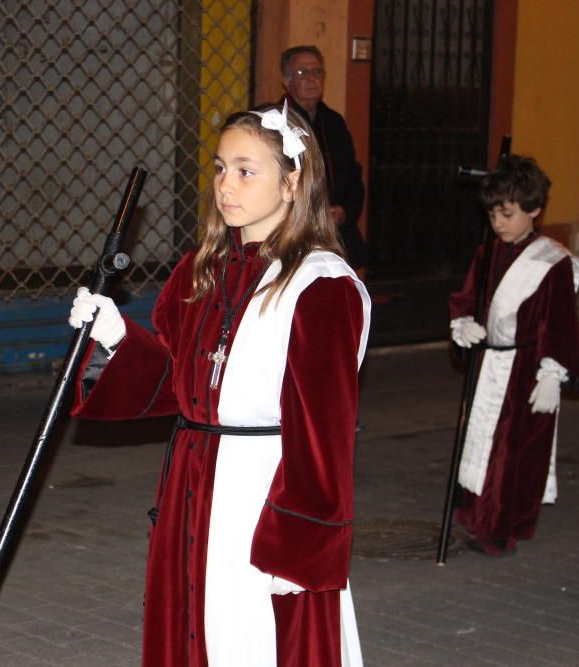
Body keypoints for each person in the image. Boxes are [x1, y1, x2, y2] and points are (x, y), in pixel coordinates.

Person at [68, 102, 369, 666]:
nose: (225, 185)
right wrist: (115, 337)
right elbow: (176, 383)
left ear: (292, 182)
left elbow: (324, 438)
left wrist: (300, 547)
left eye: (246, 170)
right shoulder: (201, 269)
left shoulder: (322, 287)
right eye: (219, 167)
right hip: (193, 480)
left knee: (249, 638)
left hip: (261, 494)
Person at [449, 155, 579, 557]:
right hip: (491, 362)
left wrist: (553, 372)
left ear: (534, 210)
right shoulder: (487, 252)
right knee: (481, 441)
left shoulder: (551, 262)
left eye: (507, 214)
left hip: (528, 367)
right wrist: (463, 325)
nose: (499, 223)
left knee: (514, 451)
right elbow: (468, 298)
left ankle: (502, 528)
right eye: (493, 213)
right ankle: (476, 516)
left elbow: (560, 322)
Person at [281, 45, 366, 268]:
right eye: (302, 73)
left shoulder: (334, 122)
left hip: (335, 233)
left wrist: (345, 211)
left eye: (317, 72)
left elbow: (353, 175)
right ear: (287, 81)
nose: (311, 79)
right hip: (294, 233)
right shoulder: (276, 123)